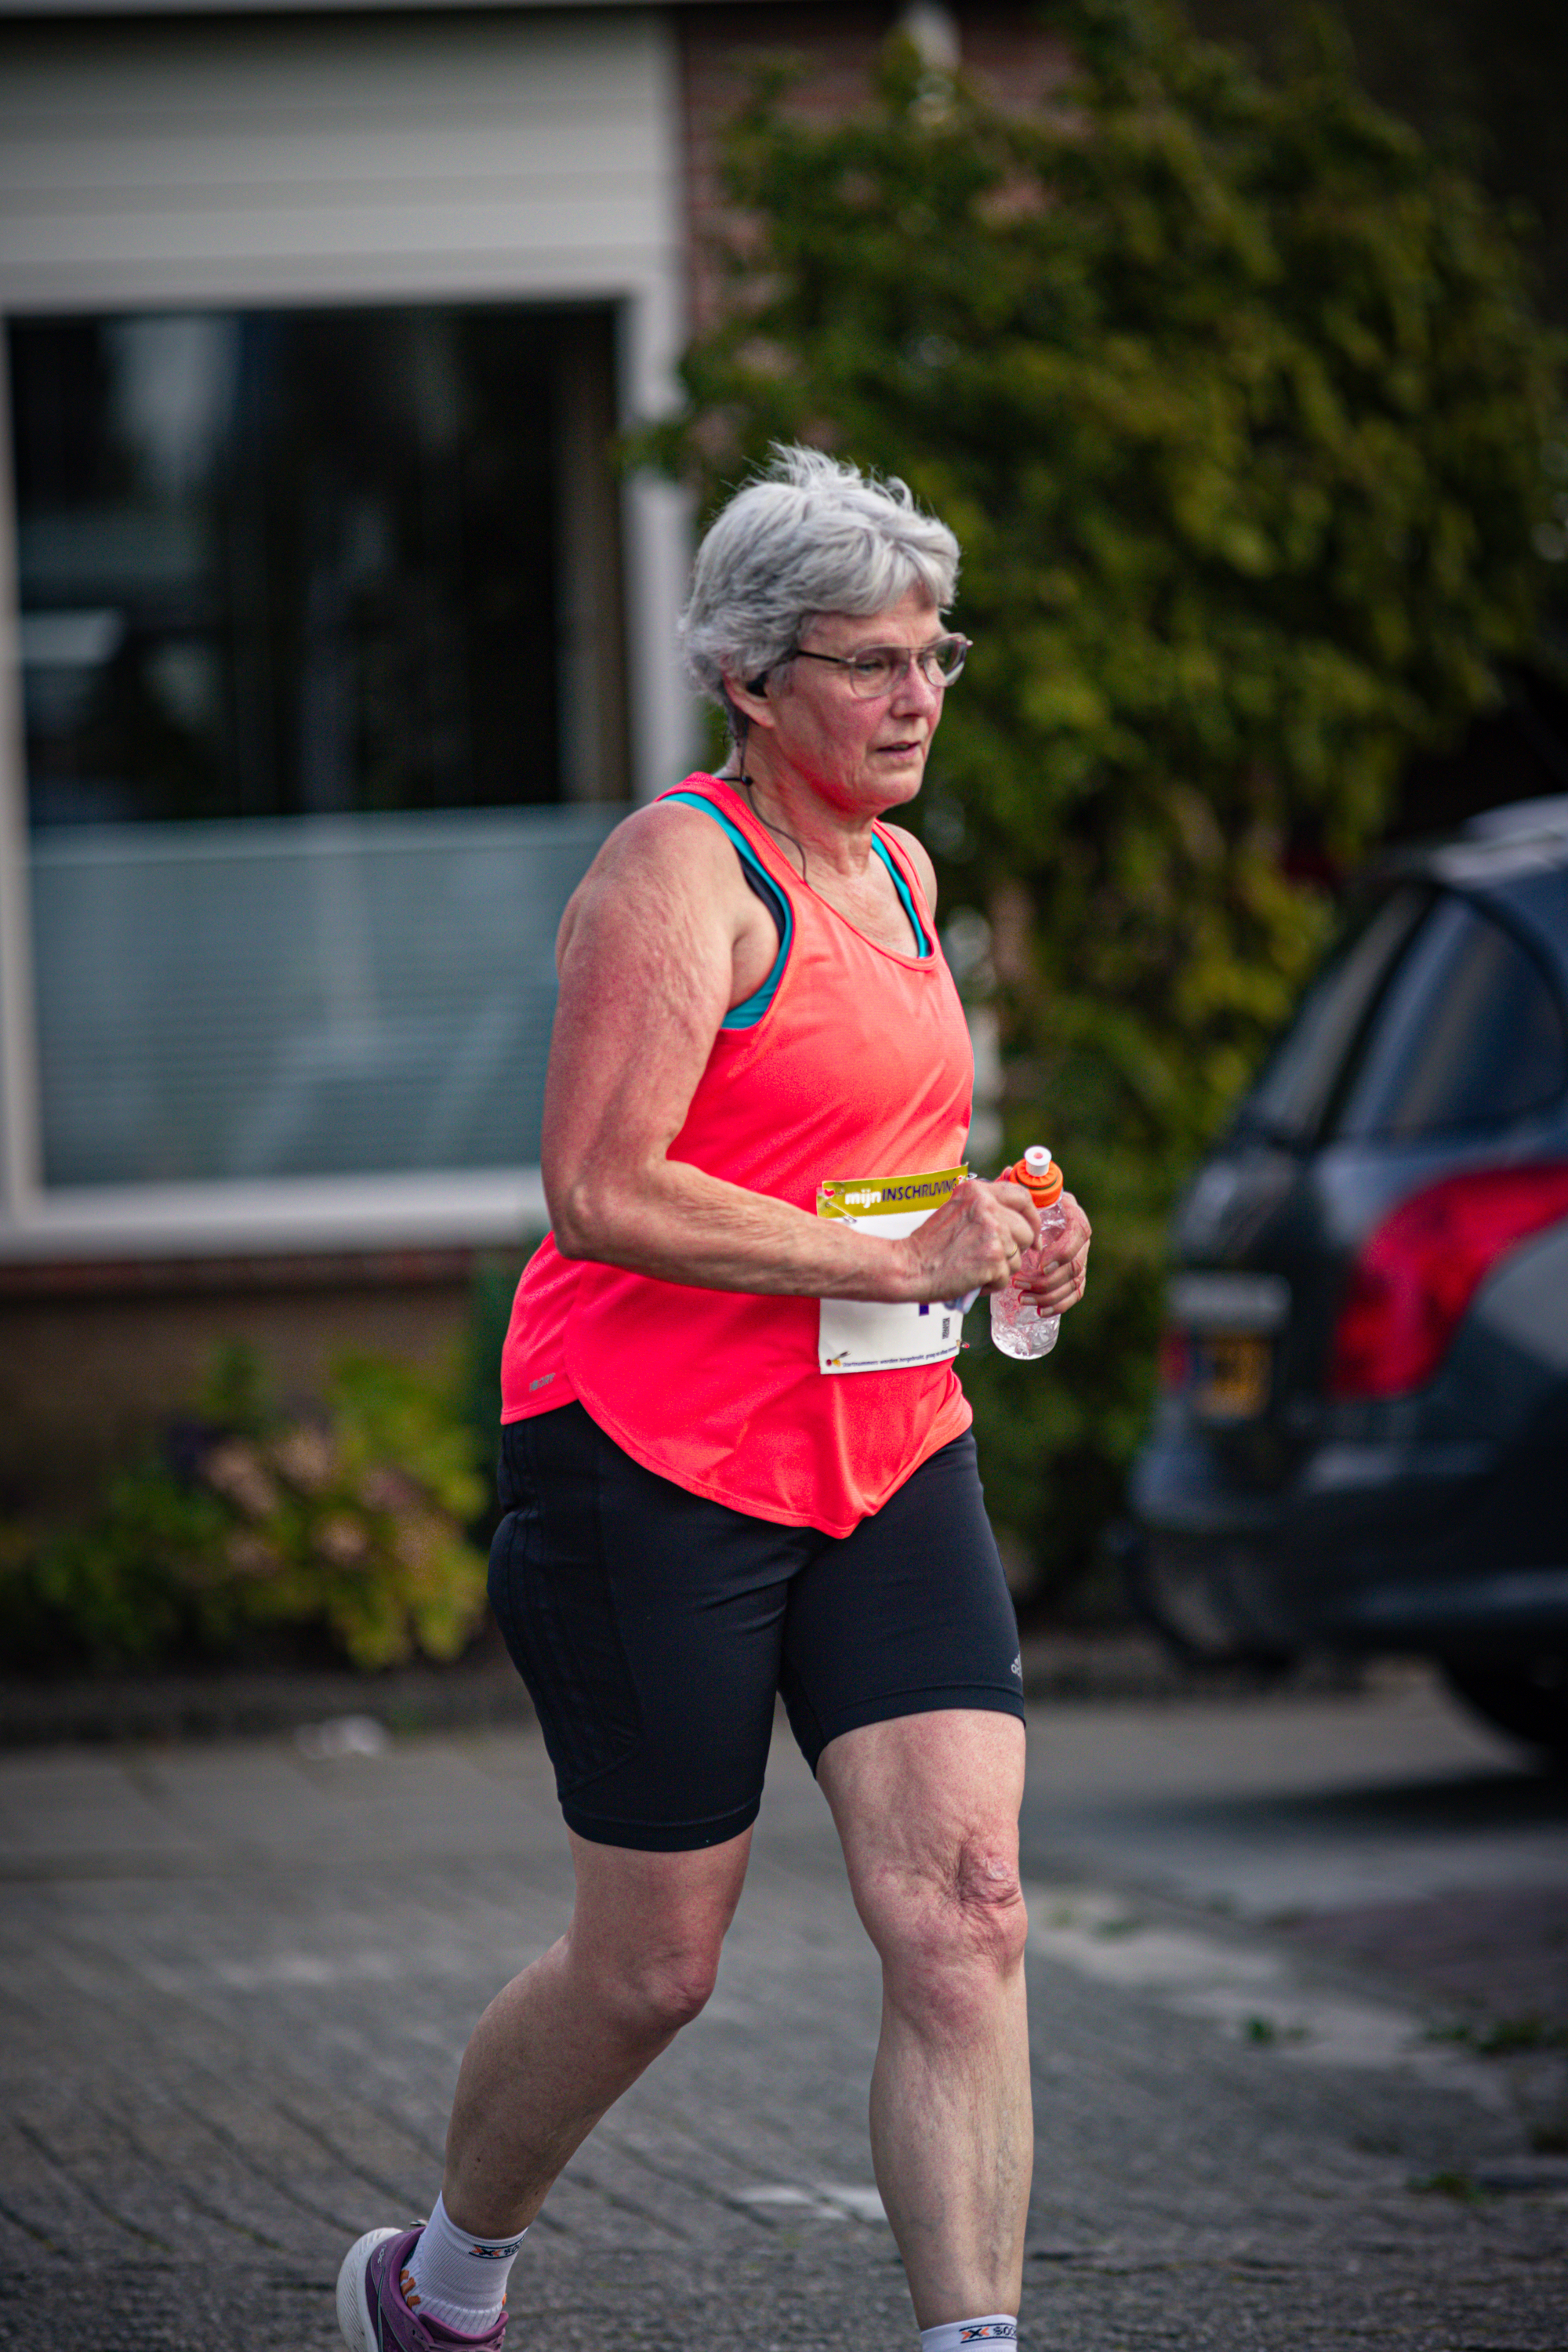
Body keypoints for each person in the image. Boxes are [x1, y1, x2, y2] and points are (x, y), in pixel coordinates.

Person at [337, 445, 1092, 2352]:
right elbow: (601, 1186)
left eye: (939, 654)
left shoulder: (904, 872)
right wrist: (891, 1261)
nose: (918, 696)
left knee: (970, 1907)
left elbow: (882, 1171)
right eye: (870, 662)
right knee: (653, 1968)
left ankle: (973, 2338)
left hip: (886, 1450)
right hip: (648, 1466)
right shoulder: (678, 875)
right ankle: (440, 2278)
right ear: (748, 681)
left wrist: (999, 1233)